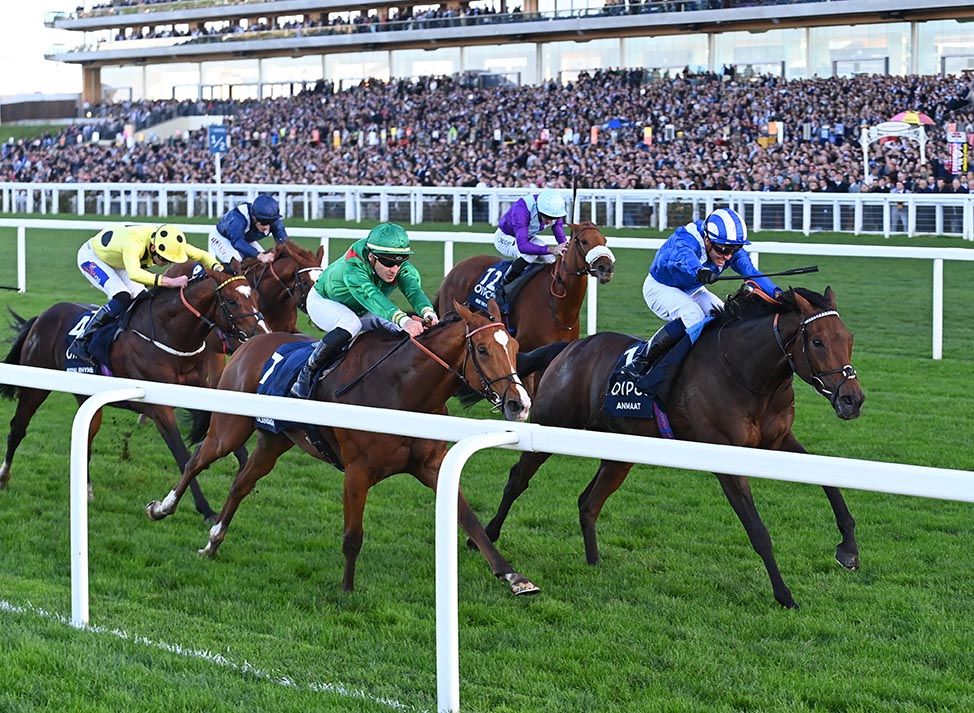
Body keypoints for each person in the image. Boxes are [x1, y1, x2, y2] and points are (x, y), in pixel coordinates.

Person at [290, 222, 439, 398]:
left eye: (400, 262)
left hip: (362, 307)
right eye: (388, 262)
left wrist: (428, 313)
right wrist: (404, 320)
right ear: (371, 257)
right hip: (323, 301)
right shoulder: (353, 269)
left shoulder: (396, 265)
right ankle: (306, 373)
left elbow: (413, 290)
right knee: (351, 324)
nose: (394, 269)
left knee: (401, 331)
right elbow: (371, 296)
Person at [631, 207, 782, 375]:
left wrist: (777, 293)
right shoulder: (687, 237)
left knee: (726, 317)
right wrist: (699, 271)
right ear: (707, 239)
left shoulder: (726, 247)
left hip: (692, 290)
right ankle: (644, 360)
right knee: (693, 314)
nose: (728, 256)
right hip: (660, 288)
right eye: (723, 250)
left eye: (734, 250)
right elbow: (683, 255)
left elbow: (750, 272)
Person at [71, 223, 223, 364]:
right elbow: (134, 274)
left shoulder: (170, 243)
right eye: (163, 259)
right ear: (152, 248)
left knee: (142, 297)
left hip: (120, 260)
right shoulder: (134, 243)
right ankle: (82, 340)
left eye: (169, 261)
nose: (165, 263)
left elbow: (203, 255)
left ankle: (125, 332)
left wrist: (218, 268)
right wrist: (170, 281)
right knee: (122, 296)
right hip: (93, 258)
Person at [492, 188, 569, 299]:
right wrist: (551, 249)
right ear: (539, 210)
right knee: (530, 254)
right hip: (505, 238)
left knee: (550, 259)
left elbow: (558, 228)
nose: (549, 221)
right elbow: (523, 246)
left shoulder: (554, 209)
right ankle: (501, 287)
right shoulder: (522, 209)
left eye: (553, 218)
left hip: (527, 238)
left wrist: (564, 246)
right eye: (547, 218)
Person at [208, 194, 287, 266]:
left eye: (270, 222)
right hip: (222, 237)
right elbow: (237, 242)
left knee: (263, 263)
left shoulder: (275, 221)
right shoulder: (238, 219)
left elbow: (284, 242)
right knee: (237, 260)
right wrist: (259, 255)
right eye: (263, 222)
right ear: (254, 217)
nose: (266, 226)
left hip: (244, 239)